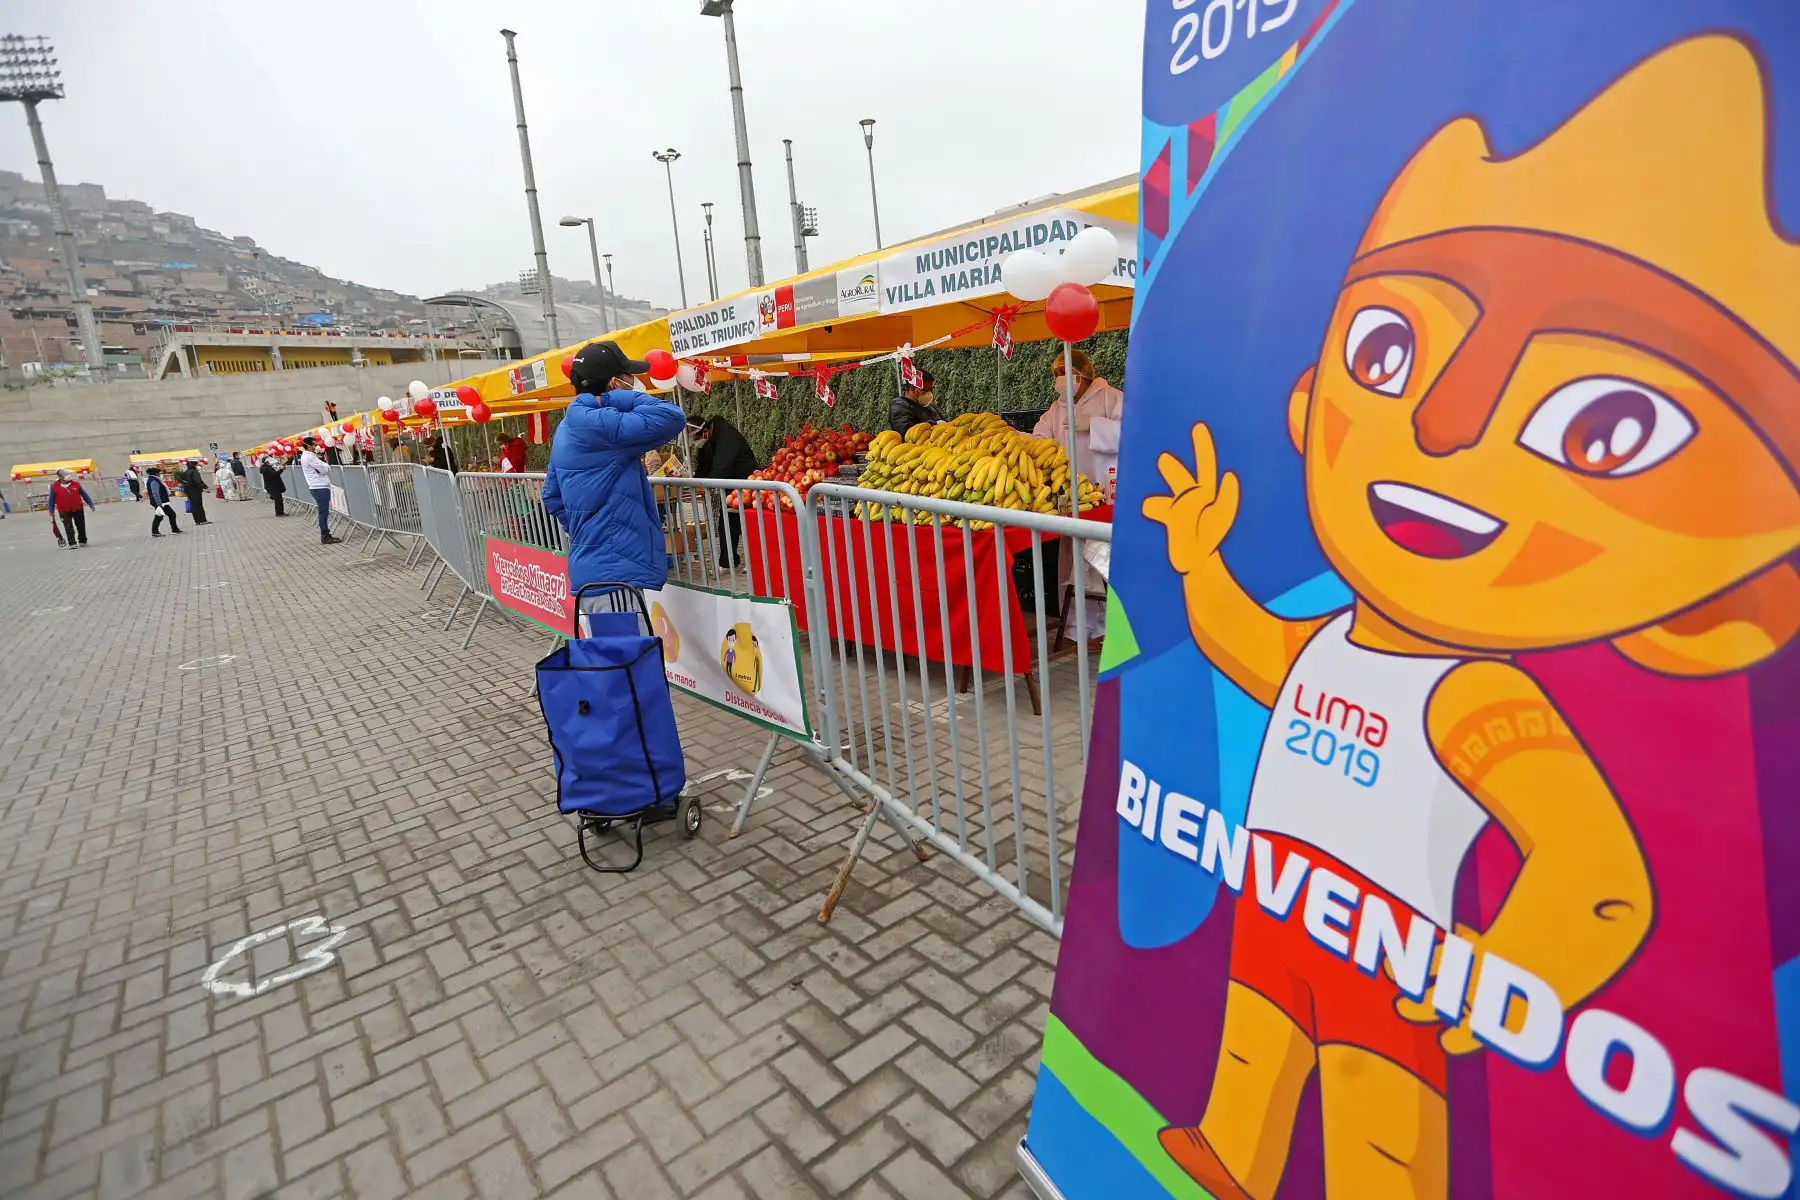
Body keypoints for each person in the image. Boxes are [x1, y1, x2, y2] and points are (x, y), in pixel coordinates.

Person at [543, 340, 688, 594]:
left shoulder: (566, 426)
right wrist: (618, 397)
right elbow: (672, 417)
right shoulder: (603, 423)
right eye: (628, 377)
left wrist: (586, 525)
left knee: (610, 634)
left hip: (593, 569)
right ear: (615, 382)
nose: (634, 382)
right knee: (626, 634)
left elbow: (552, 496)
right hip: (615, 577)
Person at [1032, 349, 1124, 501]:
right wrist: (1015, 437)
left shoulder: (1111, 397)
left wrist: (1093, 425)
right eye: (1056, 374)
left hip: (1107, 492)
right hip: (1069, 493)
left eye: (1064, 372)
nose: (1060, 378)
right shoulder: (1057, 408)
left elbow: (1129, 436)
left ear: (1083, 374)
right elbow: (1039, 442)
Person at [693, 415, 761, 568]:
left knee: (748, 521)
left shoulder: (726, 435)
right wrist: (697, 481)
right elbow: (703, 464)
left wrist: (707, 484)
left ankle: (755, 562)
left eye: (695, 437)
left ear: (704, 432)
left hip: (746, 482)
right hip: (729, 485)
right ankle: (727, 562)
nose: (695, 442)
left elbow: (722, 465)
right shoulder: (709, 440)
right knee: (727, 521)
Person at [299, 436, 341, 545]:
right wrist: (325, 465)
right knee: (323, 512)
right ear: (308, 446)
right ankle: (325, 535)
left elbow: (322, 468)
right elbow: (324, 469)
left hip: (319, 486)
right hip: (319, 487)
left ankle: (326, 534)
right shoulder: (309, 457)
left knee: (324, 511)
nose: (316, 446)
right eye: (314, 444)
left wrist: (323, 465)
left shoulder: (310, 456)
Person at [47, 468, 97, 549]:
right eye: (66, 475)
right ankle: (72, 543)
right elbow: (51, 500)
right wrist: (51, 511)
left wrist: (91, 504)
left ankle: (83, 541)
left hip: (78, 508)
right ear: (60, 477)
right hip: (64, 510)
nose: (69, 476)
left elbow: (84, 495)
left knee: (81, 526)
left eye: (69, 474)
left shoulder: (76, 484)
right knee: (68, 527)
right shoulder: (54, 487)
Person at [889, 370, 944, 437]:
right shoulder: (898, 406)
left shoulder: (928, 406)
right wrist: (934, 424)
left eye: (931, 389)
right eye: (926, 389)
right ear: (912, 388)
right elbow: (906, 431)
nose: (929, 393)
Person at [145, 468, 182, 536]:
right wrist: (159, 503)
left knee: (162, 515)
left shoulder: (154, 480)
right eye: (159, 473)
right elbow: (155, 493)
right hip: (160, 502)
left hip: (161, 501)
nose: (160, 474)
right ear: (156, 473)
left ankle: (173, 529)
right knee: (167, 515)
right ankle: (157, 531)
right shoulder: (154, 481)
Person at [180, 460, 211, 525]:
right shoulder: (194, 472)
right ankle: (203, 520)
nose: (198, 466)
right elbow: (198, 481)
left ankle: (197, 521)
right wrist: (206, 487)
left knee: (193, 505)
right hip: (195, 490)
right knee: (199, 505)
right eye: (197, 465)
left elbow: (183, 481)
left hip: (188, 491)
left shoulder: (185, 472)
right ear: (194, 465)